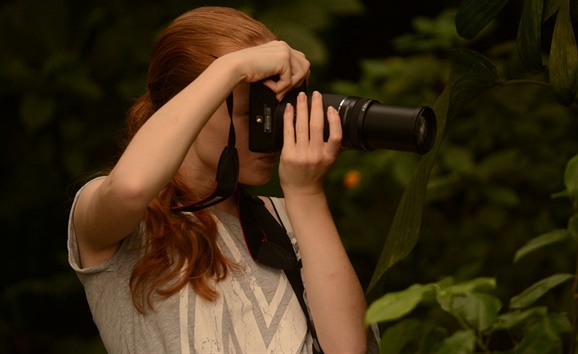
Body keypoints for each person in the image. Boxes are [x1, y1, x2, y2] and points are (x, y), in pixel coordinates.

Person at [67, 6, 377, 353]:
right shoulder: (119, 221)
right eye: (250, 113)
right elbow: (130, 189)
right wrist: (233, 68)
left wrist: (306, 193)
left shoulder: (289, 217)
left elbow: (351, 349)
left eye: (275, 109)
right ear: (184, 107)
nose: (270, 130)